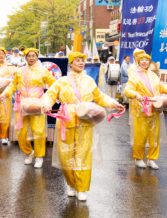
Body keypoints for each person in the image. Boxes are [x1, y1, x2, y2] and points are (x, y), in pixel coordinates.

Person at [42, 52, 124, 200]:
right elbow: (50, 95)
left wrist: (113, 103)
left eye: (82, 60)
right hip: (66, 121)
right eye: (78, 60)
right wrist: (47, 104)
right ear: (71, 63)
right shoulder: (61, 81)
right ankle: (71, 184)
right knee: (65, 155)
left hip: (85, 120)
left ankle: (81, 188)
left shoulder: (89, 81)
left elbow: (99, 97)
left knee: (83, 155)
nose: (81, 63)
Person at [0, 48, 56, 168]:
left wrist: (51, 99)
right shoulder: (20, 71)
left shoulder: (43, 71)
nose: (31, 58)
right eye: (28, 56)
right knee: (20, 131)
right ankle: (28, 152)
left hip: (37, 103)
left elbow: (55, 85)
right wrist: (4, 94)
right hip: (22, 104)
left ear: (37, 56)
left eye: (33, 55)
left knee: (38, 131)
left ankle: (39, 156)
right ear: (25, 58)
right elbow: (13, 85)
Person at [125, 53, 167, 169]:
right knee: (141, 135)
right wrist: (136, 95)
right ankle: (138, 158)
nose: (144, 62)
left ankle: (152, 159)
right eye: (142, 60)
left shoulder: (153, 75)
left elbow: (161, 87)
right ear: (138, 62)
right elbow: (128, 90)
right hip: (141, 109)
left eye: (146, 60)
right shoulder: (134, 75)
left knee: (154, 136)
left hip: (155, 108)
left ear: (149, 62)